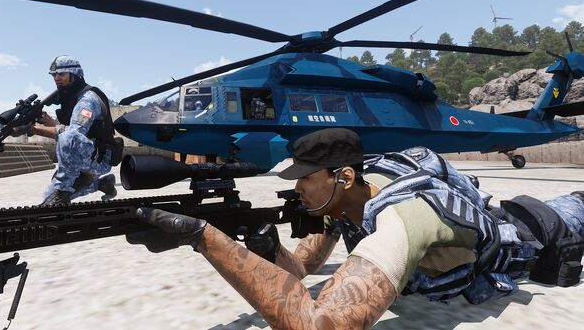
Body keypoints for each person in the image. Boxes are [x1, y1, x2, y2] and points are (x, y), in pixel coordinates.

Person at [126, 128, 584, 329]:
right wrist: (267, 250)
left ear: (343, 177)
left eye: (305, 179)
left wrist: (205, 239)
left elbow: (320, 326)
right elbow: (302, 268)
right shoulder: (342, 201)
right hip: (519, 218)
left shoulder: (401, 217)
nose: (298, 190)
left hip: (547, 228)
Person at [12, 55, 121, 206]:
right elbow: (72, 130)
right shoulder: (71, 96)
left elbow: (74, 135)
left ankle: (62, 192)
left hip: (98, 158)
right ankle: (102, 184)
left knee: (69, 138)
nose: (56, 78)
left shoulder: (87, 100)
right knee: (46, 203)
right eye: (54, 75)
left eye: (61, 74)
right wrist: (50, 123)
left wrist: (33, 129)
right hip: (84, 155)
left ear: (74, 75)